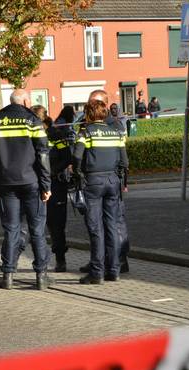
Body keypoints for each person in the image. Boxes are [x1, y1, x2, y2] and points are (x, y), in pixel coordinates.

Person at [0, 89, 52, 290]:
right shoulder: (32, 121)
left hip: (5, 183)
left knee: (11, 229)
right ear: (24, 101)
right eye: (29, 99)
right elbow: (43, 154)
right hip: (31, 182)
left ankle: (9, 276)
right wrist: (46, 184)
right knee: (37, 229)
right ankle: (41, 276)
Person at [73, 100, 128, 284]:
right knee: (111, 226)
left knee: (95, 228)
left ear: (88, 113)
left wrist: (78, 173)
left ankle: (97, 272)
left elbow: (76, 155)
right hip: (113, 182)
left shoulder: (85, 132)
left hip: (93, 182)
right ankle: (114, 270)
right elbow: (124, 162)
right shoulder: (115, 132)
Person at [39, 107, 74, 273]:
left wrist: (52, 172)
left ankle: (61, 259)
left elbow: (67, 157)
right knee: (37, 225)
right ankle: (40, 262)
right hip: (37, 185)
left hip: (56, 185)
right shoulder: (32, 135)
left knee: (57, 225)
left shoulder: (56, 135)